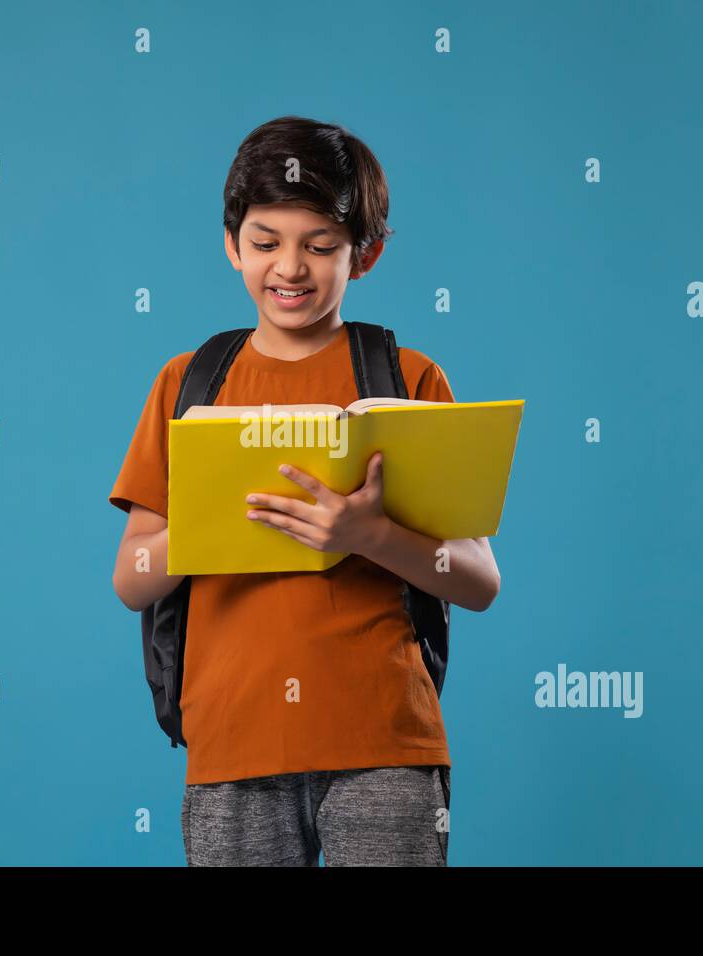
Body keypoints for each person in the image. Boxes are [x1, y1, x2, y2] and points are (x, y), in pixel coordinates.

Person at [109, 116, 501, 865]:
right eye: (265, 242)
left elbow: (478, 580)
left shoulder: (409, 382)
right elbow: (131, 580)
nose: (290, 267)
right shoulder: (187, 384)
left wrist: (367, 536)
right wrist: (214, 520)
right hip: (232, 747)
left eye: (321, 246)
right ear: (231, 243)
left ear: (368, 253)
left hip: (386, 740)